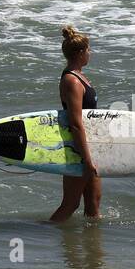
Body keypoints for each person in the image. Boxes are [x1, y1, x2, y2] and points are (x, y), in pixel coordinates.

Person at [50, 26, 102, 222]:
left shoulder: (81, 77)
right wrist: (86, 160)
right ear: (80, 53)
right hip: (78, 149)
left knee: (94, 206)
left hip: (90, 147)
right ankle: (40, 237)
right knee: (70, 205)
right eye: (88, 50)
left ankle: (92, 250)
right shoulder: (72, 81)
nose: (90, 53)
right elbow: (76, 123)